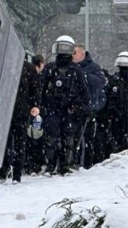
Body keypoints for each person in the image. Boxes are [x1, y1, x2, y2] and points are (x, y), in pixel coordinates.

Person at [33, 35, 90, 176]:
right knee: (51, 139)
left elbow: (84, 92)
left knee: (68, 139)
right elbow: (40, 88)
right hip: (52, 109)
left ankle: (64, 166)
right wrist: (41, 106)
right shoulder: (51, 68)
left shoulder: (76, 70)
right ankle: (52, 165)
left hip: (68, 110)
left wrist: (78, 106)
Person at [72, 44, 106, 168]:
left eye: (74, 53)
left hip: (89, 109)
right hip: (75, 108)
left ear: (82, 54)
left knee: (87, 139)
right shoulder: (71, 67)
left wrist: (84, 76)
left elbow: (101, 82)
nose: (72, 56)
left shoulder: (93, 68)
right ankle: (74, 161)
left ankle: (86, 164)